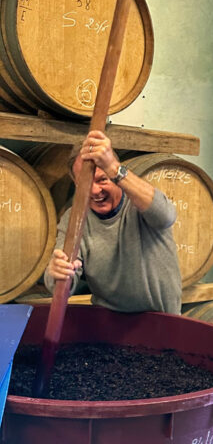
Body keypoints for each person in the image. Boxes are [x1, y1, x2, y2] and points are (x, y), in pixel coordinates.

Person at [44, 129, 182, 314]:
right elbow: (62, 286)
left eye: (102, 179)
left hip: (161, 320)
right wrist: (56, 273)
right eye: (84, 183)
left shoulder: (138, 204)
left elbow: (165, 216)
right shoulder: (75, 218)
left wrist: (114, 167)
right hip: (108, 322)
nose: (94, 191)